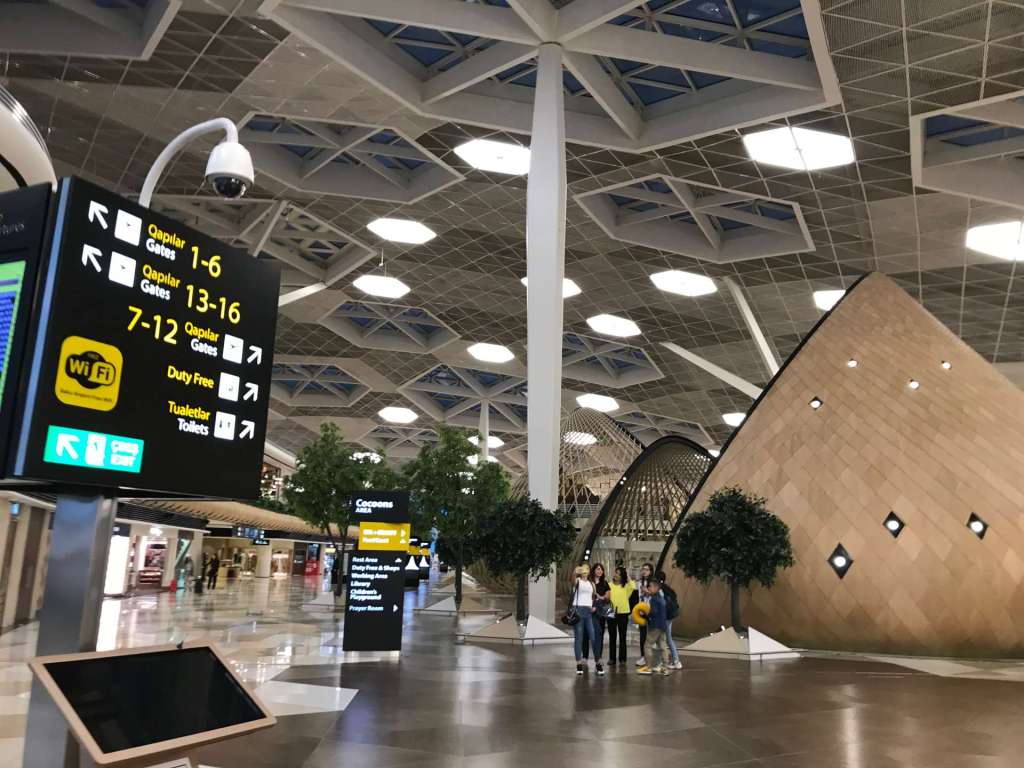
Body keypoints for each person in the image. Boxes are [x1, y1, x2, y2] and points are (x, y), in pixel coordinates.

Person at [637, 578, 672, 676]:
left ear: (656, 588)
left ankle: (648, 667)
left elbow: (654, 613)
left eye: (650, 586)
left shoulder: (654, 599)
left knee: (647, 645)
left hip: (655, 626)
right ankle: (665, 668)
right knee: (663, 646)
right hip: (663, 626)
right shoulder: (661, 597)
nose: (649, 588)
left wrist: (645, 615)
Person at [570, 564, 598, 676]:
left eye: (587, 568)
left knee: (593, 637)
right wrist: (575, 572)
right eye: (583, 568)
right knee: (579, 638)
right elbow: (572, 581)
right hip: (578, 610)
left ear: (589, 571)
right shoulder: (578, 581)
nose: (585, 570)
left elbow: (594, 597)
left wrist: (593, 606)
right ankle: (579, 663)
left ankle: (597, 661)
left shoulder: (592, 583)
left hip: (588, 611)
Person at [607, 566, 635, 666]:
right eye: (616, 572)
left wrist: (627, 575)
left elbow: (633, 585)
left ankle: (622, 659)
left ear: (622, 576)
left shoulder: (626, 587)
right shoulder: (609, 585)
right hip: (611, 612)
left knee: (622, 637)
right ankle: (612, 659)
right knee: (612, 637)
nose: (616, 575)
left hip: (623, 613)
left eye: (619, 573)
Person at [656, 570, 683, 670]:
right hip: (671, 616)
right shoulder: (668, 589)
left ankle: (665, 662)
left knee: (661, 639)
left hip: (665, 617)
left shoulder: (659, 590)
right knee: (668, 639)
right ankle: (675, 661)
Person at [587, 563, 610, 675]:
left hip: (600, 612)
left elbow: (607, 598)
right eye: (598, 569)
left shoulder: (604, 583)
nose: (600, 571)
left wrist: (599, 597)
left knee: (599, 635)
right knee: (590, 635)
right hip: (589, 611)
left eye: (601, 569)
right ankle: (586, 657)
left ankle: (598, 658)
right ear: (593, 570)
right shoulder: (588, 583)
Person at [633, 562, 654, 667]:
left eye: (647, 569)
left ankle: (651, 657)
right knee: (642, 635)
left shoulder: (653, 583)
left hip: (651, 612)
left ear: (651, 571)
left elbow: (657, 594)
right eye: (643, 569)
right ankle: (643, 656)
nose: (644, 571)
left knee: (651, 636)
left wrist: (647, 591)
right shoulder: (640, 583)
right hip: (641, 611)